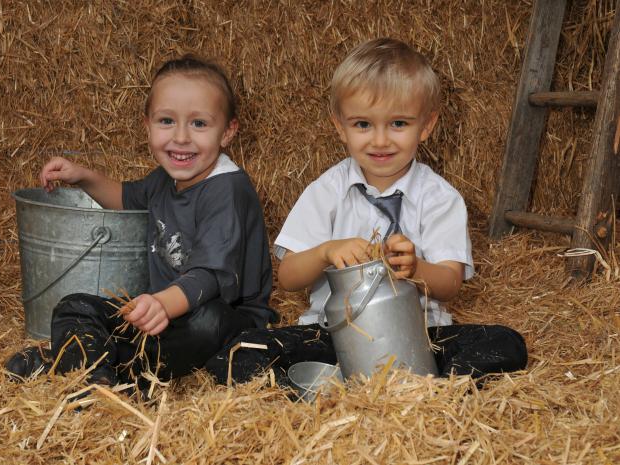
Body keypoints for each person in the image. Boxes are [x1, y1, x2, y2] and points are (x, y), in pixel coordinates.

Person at [205, 38, 527, 385]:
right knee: (240, 352)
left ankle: (432, 392)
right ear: (340, 126)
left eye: (398, 124)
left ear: (427, 125)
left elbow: (449, 284)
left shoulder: (440, 198)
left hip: (420, 336)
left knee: (506, 343)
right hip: (332, 335)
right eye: (363, 125)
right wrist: (326, 251)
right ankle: (320, 389)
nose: (380, 140)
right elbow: (289, 276)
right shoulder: (326, 191)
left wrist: (416, 269)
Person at [6, 55, 278, 388]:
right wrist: (82, 177)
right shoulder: (165, 179)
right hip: (163, 315)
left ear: (227, 132)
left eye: (199, 124)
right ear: (147, 124)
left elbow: (211, 277)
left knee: (210, 322)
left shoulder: (227, 189)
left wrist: (162, 303)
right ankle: (90, 373)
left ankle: (82, 367)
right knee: (73, 305)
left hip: (224, 321)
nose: (180, 137)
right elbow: (125, 198)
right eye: (166, 121)